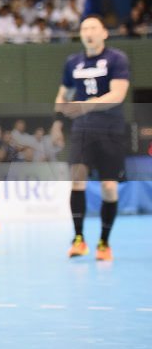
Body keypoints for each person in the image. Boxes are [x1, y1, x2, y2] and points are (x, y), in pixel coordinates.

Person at [55, 15, 130, 261]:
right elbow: (62, 96)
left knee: (109, 188)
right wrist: (59, 120)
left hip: (111, 130)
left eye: (94, 28)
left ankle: (104, 243)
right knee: (77, 180)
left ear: (104, 33)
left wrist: (89, 105)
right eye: (85, 28)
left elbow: (118, 94)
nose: (89, 32)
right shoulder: (72, 62)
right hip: (82, 131)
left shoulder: (116, 59)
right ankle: (78, 239)